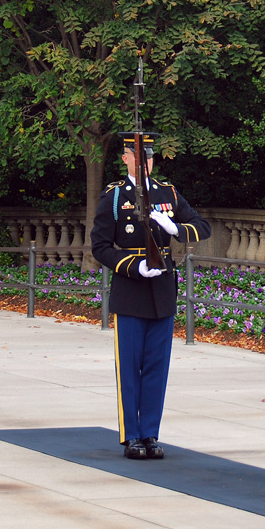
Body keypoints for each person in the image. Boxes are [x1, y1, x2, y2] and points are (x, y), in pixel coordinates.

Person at [91, 132, 211, 460]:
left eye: (149, 156)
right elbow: (99, 247)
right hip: (131, 290)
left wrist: (175, 229)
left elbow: (203, 226)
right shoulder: (115, 197)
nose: (144, 162)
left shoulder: (167, 194)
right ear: (126, 158)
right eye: (138, 155)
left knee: (157, 367)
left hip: (161, 290)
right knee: (130, 367)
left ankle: (150, 434)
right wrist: (133, 266)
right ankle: (131, 436)